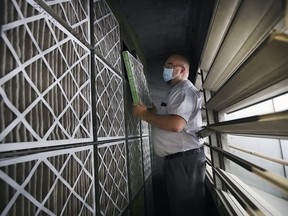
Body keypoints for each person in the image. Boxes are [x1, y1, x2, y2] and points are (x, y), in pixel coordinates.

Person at [133, 54, 206, 216]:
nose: (165, 69)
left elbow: (176, 124)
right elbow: (169, 117)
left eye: (170, 65)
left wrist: (144, 115)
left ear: (182, 70)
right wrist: (152, 111)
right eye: (165, 65)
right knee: (182, 207)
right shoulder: (176, 91)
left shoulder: (184, 90)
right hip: (180, 160)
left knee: (185, 209)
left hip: (184, 160)